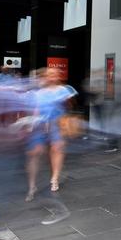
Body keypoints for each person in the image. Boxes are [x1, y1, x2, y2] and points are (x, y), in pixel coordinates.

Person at [25, 68, 77, 201]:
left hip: (56, 123)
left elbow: (70, 105)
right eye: (49, 75)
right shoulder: (39, 92)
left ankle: (54, 178)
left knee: (56, 149)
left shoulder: (64, 90)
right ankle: (32, 185)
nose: (52, 77)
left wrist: (66, 122)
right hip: (40, 123)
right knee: (34, 153)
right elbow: (36, 109)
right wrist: (31, 125)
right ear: (45, 77)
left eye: (54, 74)